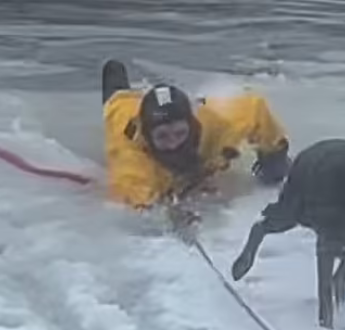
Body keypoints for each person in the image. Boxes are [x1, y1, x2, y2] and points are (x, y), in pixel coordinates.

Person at [101, 59, 292, 240]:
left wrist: (273, 157)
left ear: (193, 126)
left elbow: (257, 110)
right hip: (124, 109)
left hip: (199, 133)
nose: (173, 144)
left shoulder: (217, 123)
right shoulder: (132, 162)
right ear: (148, 137)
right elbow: (139, 210)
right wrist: (171, 215)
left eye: (179, 133)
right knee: (116, 101)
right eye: (162, 137)